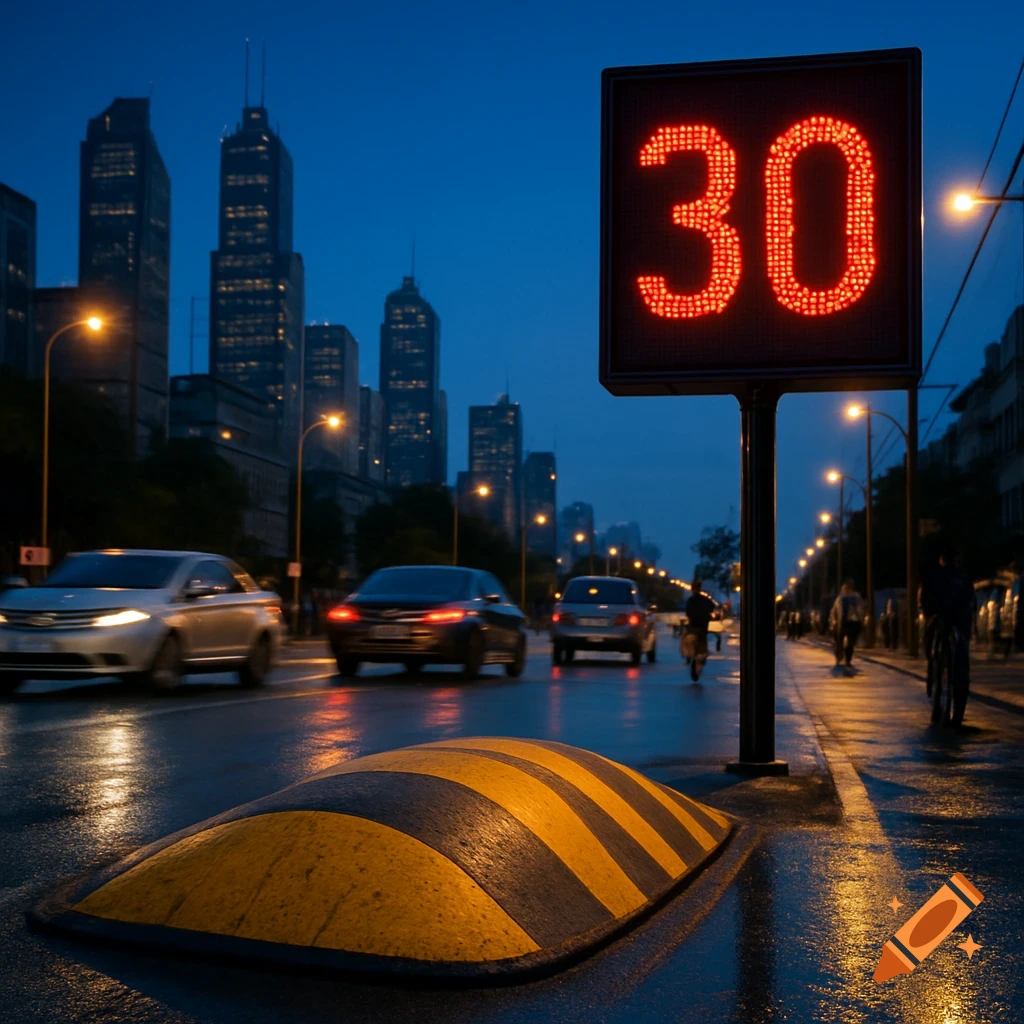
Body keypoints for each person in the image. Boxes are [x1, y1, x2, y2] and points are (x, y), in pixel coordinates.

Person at [920, 542, 975, 721]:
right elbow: (970, 602)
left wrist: (930, 614)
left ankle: (934, 683)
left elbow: (925, 602)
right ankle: (960, 686)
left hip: (941, 621)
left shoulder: (933, 576)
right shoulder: (963, 577)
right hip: (960, 622)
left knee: (932, 648)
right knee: (961, 654)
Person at [683, 579, 716, 679]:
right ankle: (699, 662)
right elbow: (712, 607)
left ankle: (689, 656)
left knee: (684, 638)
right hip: (702, 628)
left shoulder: (690, 600)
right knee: (703, 649)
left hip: (692, 627)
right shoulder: (705, 600)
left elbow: (687, 612)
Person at [829, 579, 864, 668]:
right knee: (844, 643)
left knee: (846, 643)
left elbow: (833, 611)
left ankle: (845, 659)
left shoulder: (842, 598)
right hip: (848, 623)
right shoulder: (846, 598)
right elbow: (834, 611)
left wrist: (834, 621)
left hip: (847, 623)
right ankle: (844, 658)